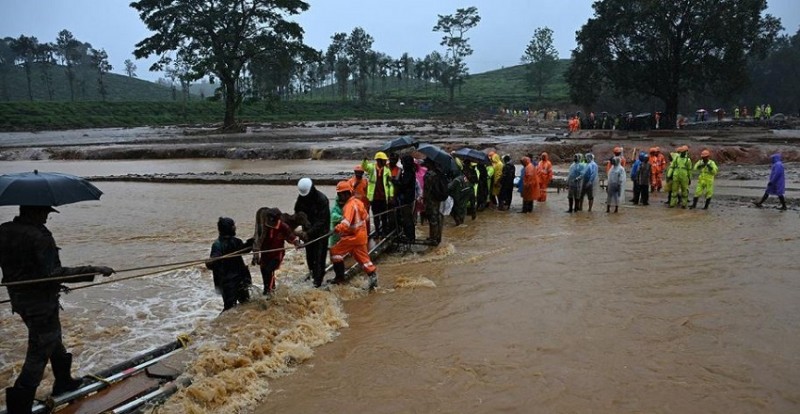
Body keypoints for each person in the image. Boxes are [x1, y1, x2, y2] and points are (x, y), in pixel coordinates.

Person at [0, 205, 114, 413]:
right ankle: (19, 408)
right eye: (45, 212)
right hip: (41, 303)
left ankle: (63, 382)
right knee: (38, 354)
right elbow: (54, 273)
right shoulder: (39, 236)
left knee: (51, 340)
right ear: (33, 211)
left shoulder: (4, 230)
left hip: (20, 301)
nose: (46, 217)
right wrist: (95, 269)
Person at [329, 181, 378, 290]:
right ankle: (373, 279)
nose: (339, 197)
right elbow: (366, 217)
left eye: (340, 194)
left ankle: (339, 278)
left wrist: (336, 229)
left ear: (347, 193)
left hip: (352, 237)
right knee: (364, 260)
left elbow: (345, 224)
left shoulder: (349, 206)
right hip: (361, 237)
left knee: (335, 252)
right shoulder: (358, 202)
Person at [207, 217, 253, 311]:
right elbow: (213, 262)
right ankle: (221, 325)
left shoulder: (236, 241)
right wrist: (210, 261)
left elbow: (245, 250)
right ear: (228, 229)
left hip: (240, 278)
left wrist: (252, 242)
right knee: (229, 309)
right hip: (228, 282)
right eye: (233, 226)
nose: (235, 228)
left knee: (246, 304)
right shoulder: (217, 245)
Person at [293, 178, 330, 288]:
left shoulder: (322, 199)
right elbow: (297, 214)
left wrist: (309, 232)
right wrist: (298, 232)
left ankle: (318, 282)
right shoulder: (301, 199)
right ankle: (313, 275)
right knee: (310, 257)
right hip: (307, 233)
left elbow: (322, 220)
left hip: (321, 233)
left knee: (319, 258)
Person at [253, 208, 300, 296]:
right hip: (265, 254)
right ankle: (269, 289)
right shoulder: (264, 226)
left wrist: (296, 243)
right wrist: (255, 255)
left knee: (269, 271)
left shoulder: (283, 226)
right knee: (264, 271)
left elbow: (291, 236)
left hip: (276, 255)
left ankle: (268, 292)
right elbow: (257, 240)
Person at [361, 152, 394, 238]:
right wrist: (364, 160)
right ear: (379, 160)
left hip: (383, 196)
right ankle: (377, 231)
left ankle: (383, 232)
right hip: (374, 196)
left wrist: (390, 195)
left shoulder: (387, 170)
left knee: (384, 215)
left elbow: (390, 184)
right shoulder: (372, 168)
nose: (385, 161)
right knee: (375, 215)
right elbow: (364, 167)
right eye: (384, 160)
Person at [392, 154, 418, 242]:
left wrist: (394, 181)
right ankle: (409, 236)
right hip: (409, 198)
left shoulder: (409, 172)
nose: (402, 164)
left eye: (403, 162)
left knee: (407, 218)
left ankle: (410, 237)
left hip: (407, 199)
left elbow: (403, 185)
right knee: (407, 218)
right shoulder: (409, 171)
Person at [422, 159, 447, 245]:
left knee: (432, 218)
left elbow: (427, 190)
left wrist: (424, 199)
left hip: (431, 199)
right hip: (437, 198)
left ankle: (433, 239)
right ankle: (437, 237)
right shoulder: (438, 172)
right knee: (437, 217)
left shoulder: (429, 175)